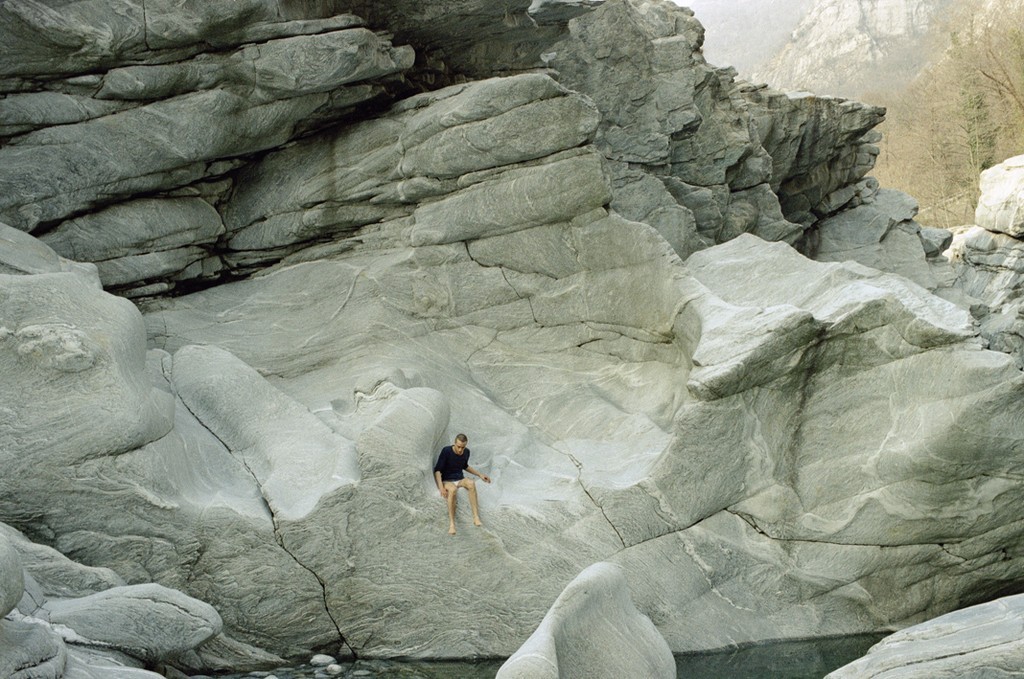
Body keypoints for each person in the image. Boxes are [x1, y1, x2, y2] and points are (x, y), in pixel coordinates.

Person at [433, 433, 491, 535]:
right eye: (458, 446)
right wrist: (441, 487)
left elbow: (465, 466)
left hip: (459, 479)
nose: (460, 450)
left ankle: (476, 517)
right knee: (453, 490)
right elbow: (437, 470)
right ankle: (452, 525)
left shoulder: (466, 452)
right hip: (447, 480)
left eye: (463, 447)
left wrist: (480, 475)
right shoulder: (446, 451)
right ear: (455, 443)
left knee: (471, 483)